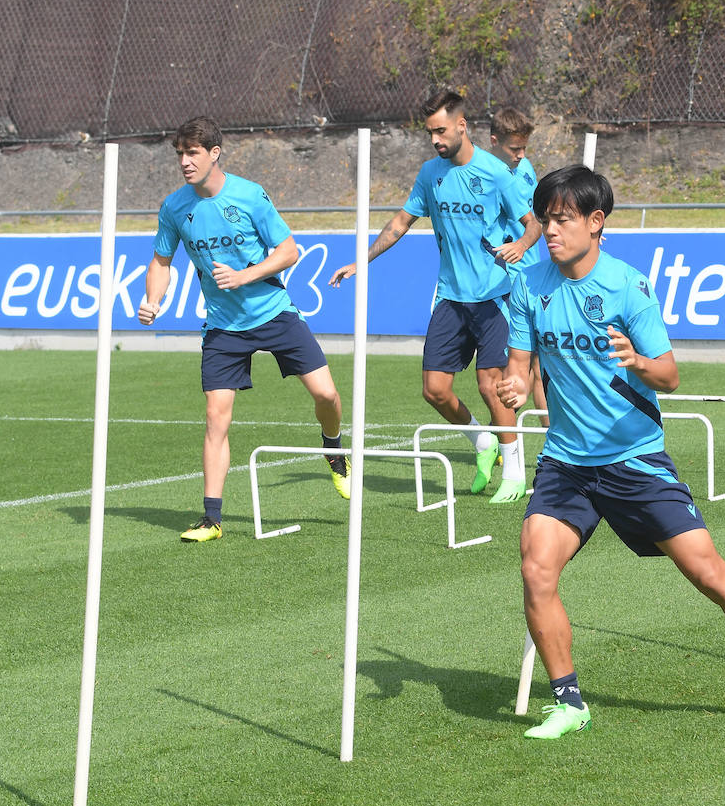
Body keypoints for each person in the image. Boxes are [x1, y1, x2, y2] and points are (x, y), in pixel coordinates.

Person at [496, 165, 725, 739]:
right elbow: (520, 371)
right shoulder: (530, 281)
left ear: (596, 223)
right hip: (566, 463)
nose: (549, 231)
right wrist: (513, 388)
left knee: (710, 575)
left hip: (635, 461)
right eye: (546, 219)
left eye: (562, 219)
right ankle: (569, 702)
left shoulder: (628, 287)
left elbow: (670, 376)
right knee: (536, 567)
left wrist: (638, 363)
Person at [140, 116, 350, 543]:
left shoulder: (250, 196)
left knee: (327, 395)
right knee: (216, 418)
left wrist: (246, 275)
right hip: (223, 327)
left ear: (214, 154)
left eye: (192, 153)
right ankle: (212, 520)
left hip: (274, 312)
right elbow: (162, 260)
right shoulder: (174, 207)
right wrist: (153, 300)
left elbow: (289, 251)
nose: (184, 161)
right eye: (179, 153)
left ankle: (333, 449)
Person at [329, 90, 541, 503]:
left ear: (462, 126)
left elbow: (532, 224)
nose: (434, 140)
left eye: (440, 131)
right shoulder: (431, 174)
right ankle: (482, 441)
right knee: (434, 390)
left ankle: (515, 473)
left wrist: (521, 245)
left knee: (491, 384)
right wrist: (362, 259)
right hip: (451, 298)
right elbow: (401, 221)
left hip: (496, 296)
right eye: (430, 132)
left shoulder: (496, 173)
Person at [486, 106, 549, 425]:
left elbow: (540, 213)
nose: (521, 155)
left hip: (532, 277)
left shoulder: (525, 168)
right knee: (508, 370)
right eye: (514, 149)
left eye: (524, 148)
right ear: (494, 141)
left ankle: (555, 447)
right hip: (498, 286)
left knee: (543, 366)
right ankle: (504, 439)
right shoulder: (476, 174)